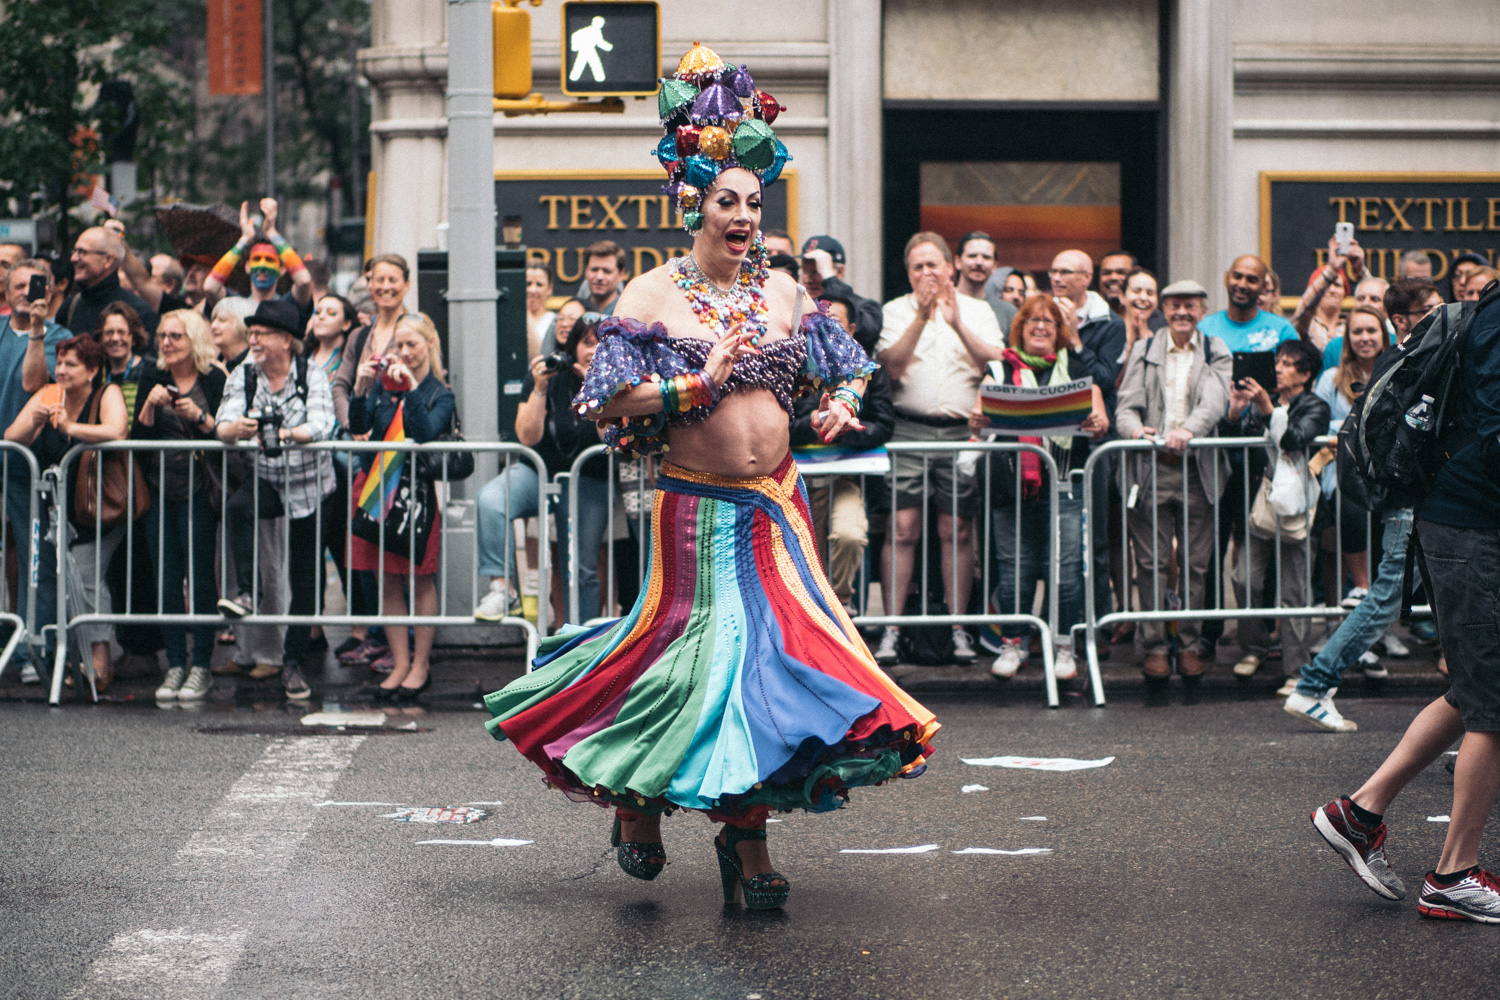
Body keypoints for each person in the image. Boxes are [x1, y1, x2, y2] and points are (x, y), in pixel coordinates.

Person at [483, 48, 935, 911]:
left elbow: (846, 368)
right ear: (694, 201)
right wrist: (698, 379)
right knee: (691, 668)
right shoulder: (653, 297)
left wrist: (837, 407)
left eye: (754, 202)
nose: (743, 215)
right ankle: (637, 802)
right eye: (727, 200)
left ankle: (746, 840)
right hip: (695, 515)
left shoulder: (785, 292)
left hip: (778, 509)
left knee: (769, 671)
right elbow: (607, 402)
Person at [1308, 286, 1500, 921]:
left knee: (1475, 689)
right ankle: (1452, 876)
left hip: (1470, 524)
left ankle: (1360, 813)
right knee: (1492, 706)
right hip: (1469, 525)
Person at [1282, 281, 1440, 731]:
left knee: (1436, 600)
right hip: (1410, 502)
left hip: (1418, 502)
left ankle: (1474, 714)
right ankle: (1314, 684)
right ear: (1402, 322)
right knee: (1385, 597)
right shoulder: (1409, 363)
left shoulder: (1409, 359)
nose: (1441, 315)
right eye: (1429, 309)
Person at [875, 231, 1007, 666]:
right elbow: (889, 369)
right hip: (908, 430)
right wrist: (922, 317)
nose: (927, 274)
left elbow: (997, 359)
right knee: (902, 529)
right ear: (909, 273)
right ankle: (893, 631)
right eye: (918, 267)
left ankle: (958, 629)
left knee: (958, 530)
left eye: (934, 265)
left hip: (961, 432)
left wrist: (954, 322)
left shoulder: (978, 309)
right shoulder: (895, 310)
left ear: (950, 267)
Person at [971, 294, 1110, 682]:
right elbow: (979, 427)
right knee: (1015, 568)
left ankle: (1064, 646)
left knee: (1066, 571)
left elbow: (1100, 417)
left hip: (1065, 485)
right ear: (1020, 328)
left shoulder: (1079, 369)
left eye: (1049, 321)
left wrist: (1098, 424)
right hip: (1011, 486)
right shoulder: (998, 370)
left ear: (1060, 331)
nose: (1040, 326)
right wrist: (976, 422)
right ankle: (1014, 644)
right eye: (1032, 320)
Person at [214, 299, 336, 701]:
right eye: (251, 333)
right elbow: (222, 425)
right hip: (266, 478)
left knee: (305, 579)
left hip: (311, 486)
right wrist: (237, 428)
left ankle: (293, 663)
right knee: (237, 507)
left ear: (286, 339)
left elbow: (322, 424)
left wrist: (282, 434)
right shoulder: (244, 375)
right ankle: (246, 593)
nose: (253, 340)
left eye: (262, 333)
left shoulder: (311, 375)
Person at [1113, 279, 1232, 682]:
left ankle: (1191, 644)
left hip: (1198, 469)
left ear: (1202, 311)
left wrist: (1188, 431)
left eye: (1191, 306)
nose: (1182, 312)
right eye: (1175, 305)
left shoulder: (1216, 349)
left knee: (1196, 564)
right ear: (1164, 310)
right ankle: (1155, 646)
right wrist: (1134, 431)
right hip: (1151, 467)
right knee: (1150, 563)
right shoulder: (1145, 350)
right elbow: (1125, 406)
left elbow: (1216, 402)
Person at [6, 335, 129, 690]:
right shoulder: (49, 394)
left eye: (70, 364)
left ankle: (99, 659)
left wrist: (72, 428)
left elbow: (117, 431)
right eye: (59, 363)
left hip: (98, 507)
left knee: (88, 580)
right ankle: (75, 656)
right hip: (58, 510)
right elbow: (13, 436)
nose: (60, 370)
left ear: (92, 370)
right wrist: (36, 423)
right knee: (66, 584)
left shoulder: (107, 393)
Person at [473, 312, 609, 625]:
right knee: (491, 500)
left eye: (599, 343)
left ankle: (580, 641)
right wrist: (538, 388)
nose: (591, 351)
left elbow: (609, 436)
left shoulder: (612, 378)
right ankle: (502, 589)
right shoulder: (550, 374)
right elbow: (526, 436)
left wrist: (596, 385)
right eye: (586, 343)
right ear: (572, 346)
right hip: (538, 471)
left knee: (579, 568)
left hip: (588, 479)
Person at [348, 313, 454, 702]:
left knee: (420, 579)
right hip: (376, 491)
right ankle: (400, 662)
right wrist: (361, 390)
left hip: (415, 497)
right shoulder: (381, 385)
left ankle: (421, 665)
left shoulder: (439, 393)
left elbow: (425, 434)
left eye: (412, 344)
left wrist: (409, 389)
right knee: (387, 579)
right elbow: (358, 427)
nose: (405, 353)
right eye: (399, 345)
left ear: (429, 344)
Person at [133, 309, 226, 702]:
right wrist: (150, 407)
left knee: (200, 576)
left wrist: (198, 415)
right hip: (158, 490)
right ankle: (175, 663)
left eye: (176, 336)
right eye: (162, 336)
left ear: (194, 341)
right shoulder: (152, 376)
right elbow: (137, 435)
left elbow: (225, 428)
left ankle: (201, 663)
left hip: (199, 489)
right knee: (166, 578)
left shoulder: (213, 378)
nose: (166, 343)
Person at [1226, 338, 1329, 679]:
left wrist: (1269, 411)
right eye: (1278, 363)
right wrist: (1238, 409)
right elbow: (1236, 437)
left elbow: (1293, 441)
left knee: (1295, 591)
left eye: (1286, 364)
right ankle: (1255, 648)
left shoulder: (1315, 405)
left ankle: (1297, 670)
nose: (1278, 369)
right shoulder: (1262, 402)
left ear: (1306, 373)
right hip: (1263, 500)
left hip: (1299, 505)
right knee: (1244, 579)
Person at [789, 290, 896, 616]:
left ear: (850, 330)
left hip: (846, 476)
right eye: (819, 323)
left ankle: (840, 603)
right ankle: (817, 611)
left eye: (834, 323)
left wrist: (852, 430)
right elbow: (779, 425)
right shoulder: (796, 368)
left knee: (850, 535)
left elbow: (883, 424)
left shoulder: (868, 371)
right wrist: (814, 422)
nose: (826, 331)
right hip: (801, 482)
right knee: (810, 554)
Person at [1048, 249, 1128, 641]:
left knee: (1093, 540)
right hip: (1049, 444)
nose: (1057, 277)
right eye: (1054, 270)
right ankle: (1056, 626)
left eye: (1067, 271)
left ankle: (1095, 628)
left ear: (1087, 277)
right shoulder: (1041, 313)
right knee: (1053, 541)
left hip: (1094, 443)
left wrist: (1075, 339)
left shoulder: (1109, 324)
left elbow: (1107, 379)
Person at [0, 259, 70, 682]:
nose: (27, 292)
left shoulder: (59, 337)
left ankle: (33, 651)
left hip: (27, 464)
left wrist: (38, 329)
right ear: (6, 294)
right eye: (19, 286)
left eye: (35, 284)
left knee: (34, 559)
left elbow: (34, 383)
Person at [307, 294, 360, 660]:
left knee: (343, 546)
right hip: (307, 463)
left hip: (341, 463)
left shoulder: (348, 359)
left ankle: (358, 626)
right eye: (318, 311)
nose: (322, 316)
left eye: (331, 312)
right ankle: (312, 626)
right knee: (309, 546)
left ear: (346, 322)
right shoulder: (302, 358)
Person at [201, 198, 315, 325]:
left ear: (282, 269)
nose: (262, 266)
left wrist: (271, 233)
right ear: (247, 266)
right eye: (256, 259)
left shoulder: (288, 305)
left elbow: (304, 281)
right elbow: (210, 287)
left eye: (269, 260)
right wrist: (244, 240)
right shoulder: (235, 306)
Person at [331, 253, 409, 430]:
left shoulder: (418, 332)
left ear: (407, 285)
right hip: (362, 443)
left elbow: (434, 382)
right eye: (380, 280)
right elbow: (340, 387)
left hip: (402, 440)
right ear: (371, 286)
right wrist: (351, 423)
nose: (386, 286)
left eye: (393, 280)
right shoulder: (358, 336)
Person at [59, 227, 159, 339]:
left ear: (108, 260)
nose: (73, 258)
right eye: (74, 251)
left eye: (82, 252)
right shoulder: (70, 307)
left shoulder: (138, 311)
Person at [799, 235, 884, 352]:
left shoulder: (867, 307)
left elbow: (867, 331)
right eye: (805, 271)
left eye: (816, 272)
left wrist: (830, 280)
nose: (808, 280)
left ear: (839, 271)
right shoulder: (798, 305)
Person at [954, 231, 1018, 336]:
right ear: (958, 261)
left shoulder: (1007, 312)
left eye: (986, 257)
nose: (979, 262)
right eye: (972, 256)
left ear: (994, 266)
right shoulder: (943, 303)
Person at [95, 302, 149, 415]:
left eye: (121, 332)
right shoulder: (97, 372)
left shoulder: (149, 371)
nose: (115, 338)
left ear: (133, 336)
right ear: (101, 337)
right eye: (109, 332)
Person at [580, 240, 626, 315]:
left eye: (607, 271)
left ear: (621, 274)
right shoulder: (575, 313)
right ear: (586, 271)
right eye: (594, 270)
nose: (599, 277)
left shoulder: (628, 315)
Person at [525, 263, 556, 359]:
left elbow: (541, 358)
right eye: (528, 284)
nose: (532, 290)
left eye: (539, 284)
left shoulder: (555, 321)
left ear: (549, 288)